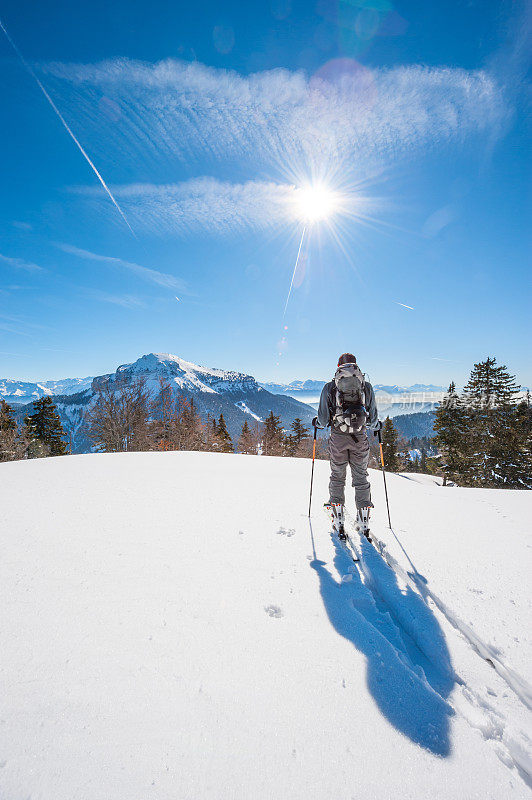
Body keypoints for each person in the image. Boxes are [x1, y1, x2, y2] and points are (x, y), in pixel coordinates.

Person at [312, 353, 382, 541]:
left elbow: (323, 418)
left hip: (338, 437)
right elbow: (373, 417)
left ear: (338, 367)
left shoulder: (330, 387)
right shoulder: (365, 386)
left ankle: (338, 518)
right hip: (360, 437)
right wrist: (377, 427)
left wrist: (317, 424)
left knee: (337, 475)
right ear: (356, 366)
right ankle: (364, 521)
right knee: (360, 477)